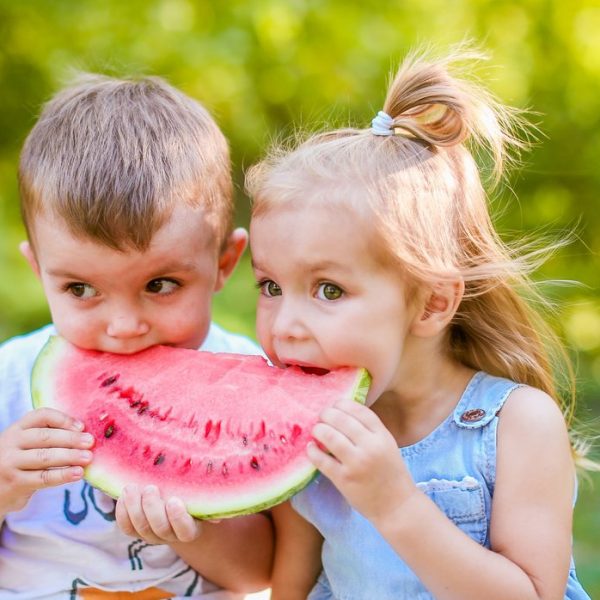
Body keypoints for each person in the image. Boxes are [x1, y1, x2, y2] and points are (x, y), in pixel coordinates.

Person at [246, 48, 592, 599]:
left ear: (432, 304)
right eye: (270, 287)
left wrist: (395, 504)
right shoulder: (315, 431)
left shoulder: (516, 425)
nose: (285, 325)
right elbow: (295, 584)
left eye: (328, 290)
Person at [0, 74, 273, 598]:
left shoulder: (251, 383)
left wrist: (194, 529)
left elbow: (260, 573)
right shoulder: (12, 379)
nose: (124, 328)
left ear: (225, 263)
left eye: (160, 284)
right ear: (39, 271)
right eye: (81, 288)